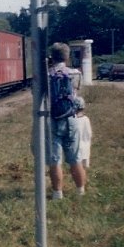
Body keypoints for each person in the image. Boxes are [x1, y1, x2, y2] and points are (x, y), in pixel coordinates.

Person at [47, 42, 86, 200]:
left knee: (55, 159)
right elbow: (77, 94)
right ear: (67, 56)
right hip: (72, 118)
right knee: (75, 157)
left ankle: (57, 194)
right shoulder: (75, 74)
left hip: (53, 119)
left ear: (52, 57)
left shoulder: (47, 75)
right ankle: (80, 191)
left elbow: (36, 96)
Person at [74, 96, 92, 170]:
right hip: (86, 146)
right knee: (84, 168)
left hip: (76, 148)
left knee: (77, 166)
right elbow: (89, 133)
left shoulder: (73, 120)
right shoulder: (86, 119)